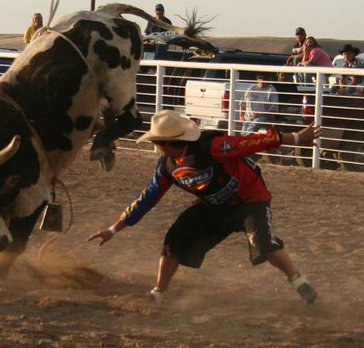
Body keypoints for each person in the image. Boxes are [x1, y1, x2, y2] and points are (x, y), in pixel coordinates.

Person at [88, 110, 321, 305]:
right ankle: (159, 292)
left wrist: (298, 139)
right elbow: (148, 197)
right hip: (213, 206)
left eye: (157, 142)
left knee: (263, 243)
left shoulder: (214, 146)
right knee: (174, 239)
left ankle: (297, 280)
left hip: (250, 201)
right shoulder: (167, 166)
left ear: (170, 142)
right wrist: (113, 229)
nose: (155, 146)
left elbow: (253, 141)